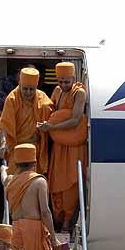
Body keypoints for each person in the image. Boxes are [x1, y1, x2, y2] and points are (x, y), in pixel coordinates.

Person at [1, 143, 64, 250]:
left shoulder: (9, 180)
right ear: (34, 163)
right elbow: (45, 212)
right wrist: (54, 237)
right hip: (34, 230)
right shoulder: (38, 181)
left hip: (15, 229)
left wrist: (3, 167)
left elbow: (3, 175)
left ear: (17, 163)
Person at [37, 62, 88, 232]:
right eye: (60, 81)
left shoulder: (79, 93)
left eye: (66, 82)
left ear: (73, 78)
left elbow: (75, 120)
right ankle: (57, 220)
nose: (63, 85)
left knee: (71, 187)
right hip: (59, 146)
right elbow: (50, 110)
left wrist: (52, 127)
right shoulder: (57, 91)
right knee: (56, 184)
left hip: (74, 147)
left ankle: (67, 223)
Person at [0, 67, 53, 175]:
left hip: (36, 150)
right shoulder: (12, 99)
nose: (28, 92)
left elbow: (52, 119)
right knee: (16, 182)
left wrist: (47, 125)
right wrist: (3, 143)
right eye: (25, 89)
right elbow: (4, 125)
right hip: (17, 148)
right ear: (19, 84)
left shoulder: (43, 98)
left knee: (34, 183)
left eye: (31, 89)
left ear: (36, 87)